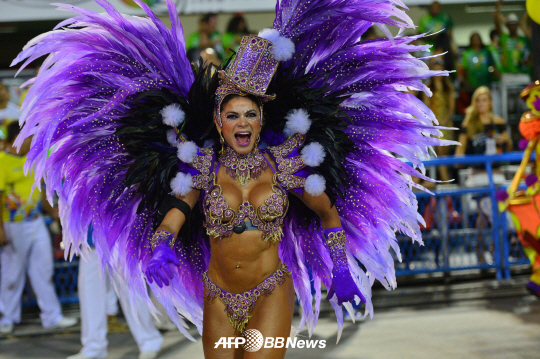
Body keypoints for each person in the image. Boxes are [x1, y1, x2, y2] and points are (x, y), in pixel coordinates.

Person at [13, 1, 450, 358]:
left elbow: (327, 212)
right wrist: (161, 246)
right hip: (218, 295)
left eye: (250, 115)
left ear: (261, 122)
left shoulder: (285, 167)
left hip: (271, 291)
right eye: (232, 116)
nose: (242, 123)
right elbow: (175, 213)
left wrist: (340, 269)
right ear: (220, 123)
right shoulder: (201, 168)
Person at [0, 122, 77, 334]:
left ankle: (52, 317)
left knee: (43, 270)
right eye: (28, 138)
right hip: (12, 226)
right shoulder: (2, 162)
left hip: (35, 223)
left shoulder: (32, 162)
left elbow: (42, 194)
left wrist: (55, 215)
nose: (32, 142)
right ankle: (7, 318)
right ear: (18, 139)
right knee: (12, 273)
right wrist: (0, 230)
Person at [67, 226, 163, 359]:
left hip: (118, 237)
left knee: (132, 292)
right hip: (89, 241)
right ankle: (93, 348)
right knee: (90, 295)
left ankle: (150, 341)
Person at [423, 59, 455, 182]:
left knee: (445, 152)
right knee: (439, 151)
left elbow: (451, 108)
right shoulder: (428, 87)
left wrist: (444, 120)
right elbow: (427, 106)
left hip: (446, 123)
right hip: (433, 124)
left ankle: (444, 178)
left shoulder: (448, 88)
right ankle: (445, 179)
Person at [494, 1, 532, 74]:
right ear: (507, 26)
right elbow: (497, 23)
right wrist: (497, 7)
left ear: (517, 25)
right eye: (510, 24)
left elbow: (530, 55)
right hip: (507, 74)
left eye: (514, 24)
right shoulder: (504, 38)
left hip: (523, 74)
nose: (512, 26)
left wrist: (527, 61)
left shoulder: (524, 40)